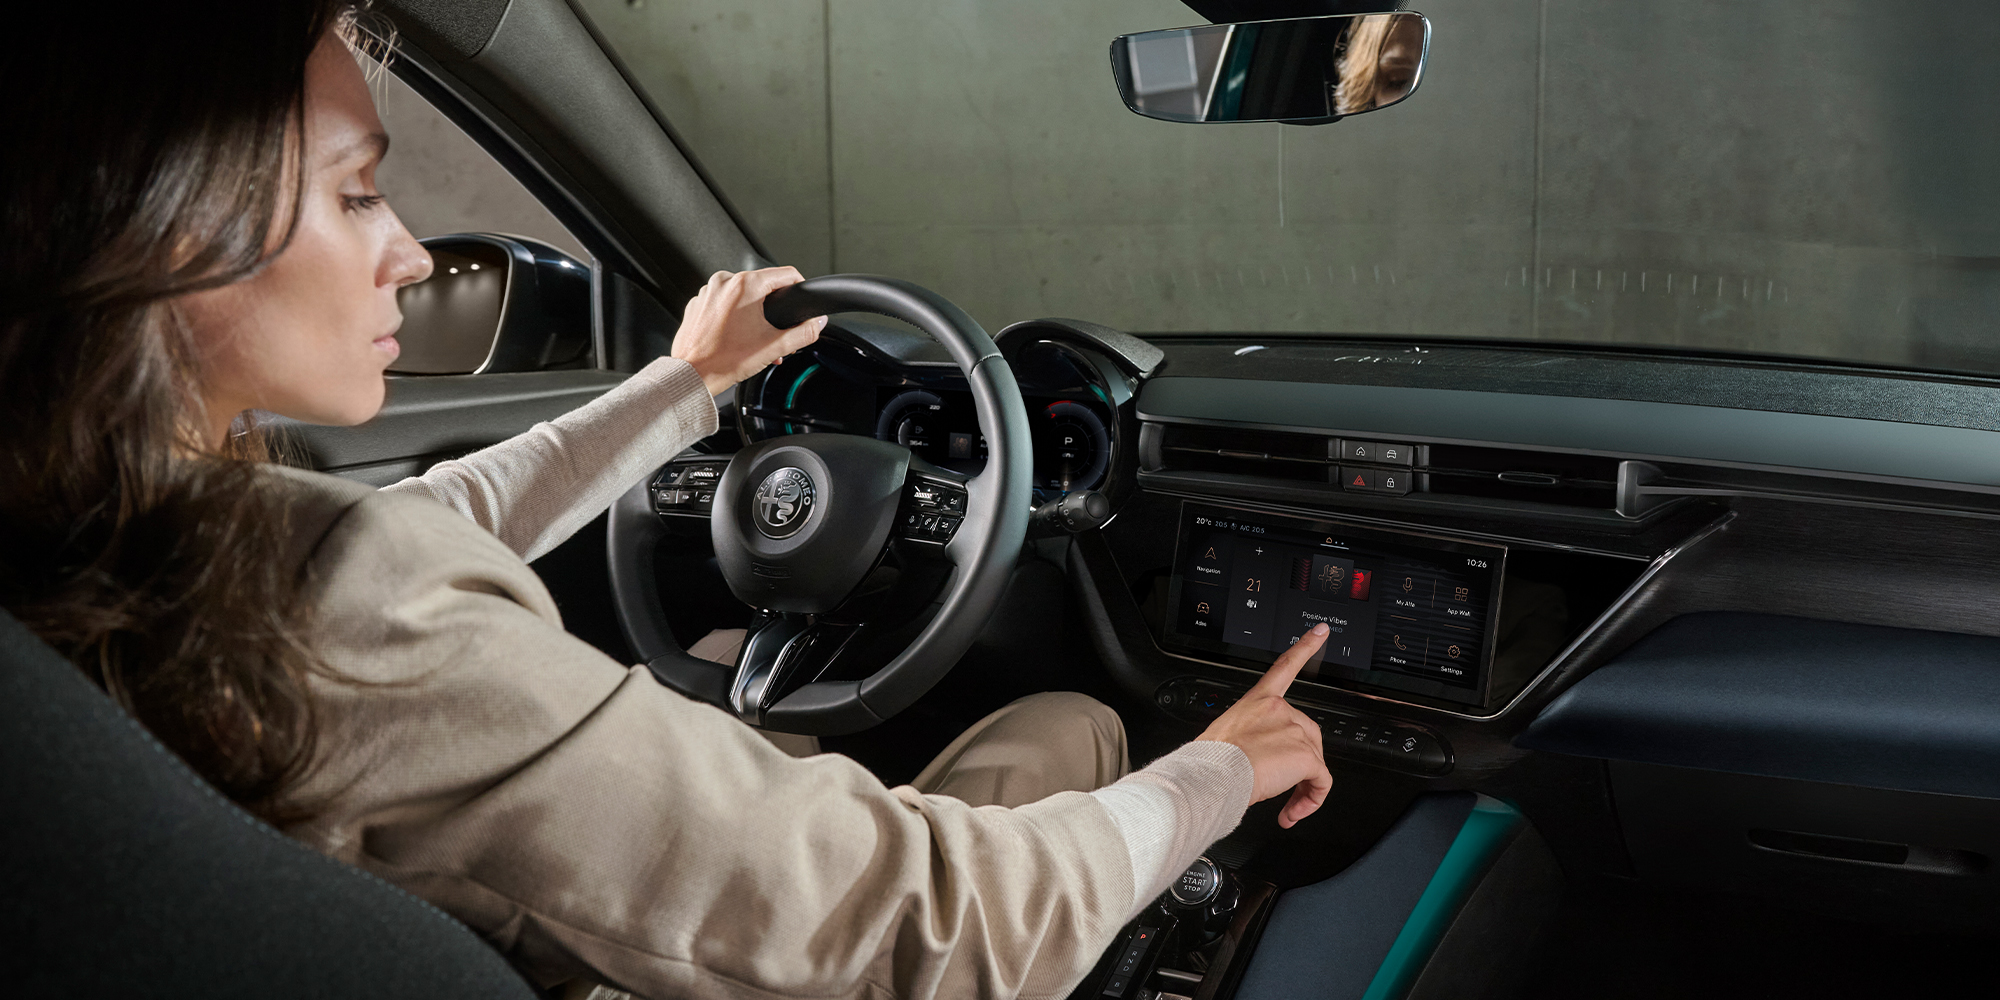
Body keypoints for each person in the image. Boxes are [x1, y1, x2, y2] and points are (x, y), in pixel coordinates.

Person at [0, 3, 1334, 997]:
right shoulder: (333, 598)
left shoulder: (102, 533)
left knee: (742, 680)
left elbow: (432, 522)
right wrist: (1220, 769)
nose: (409, 252)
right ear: (169, 228)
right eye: (356, 194)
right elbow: (952, 927)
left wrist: (688, 386)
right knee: (1073, 726)